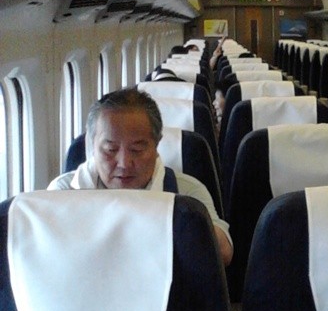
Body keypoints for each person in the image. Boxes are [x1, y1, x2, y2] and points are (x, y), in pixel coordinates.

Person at [48, 88, 233, 266]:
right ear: (92, 145)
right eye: (110, 150)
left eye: (136, 150)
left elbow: (224, 254)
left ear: (157, 144)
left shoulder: (186, 192)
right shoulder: (63, 192)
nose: (124, 163)